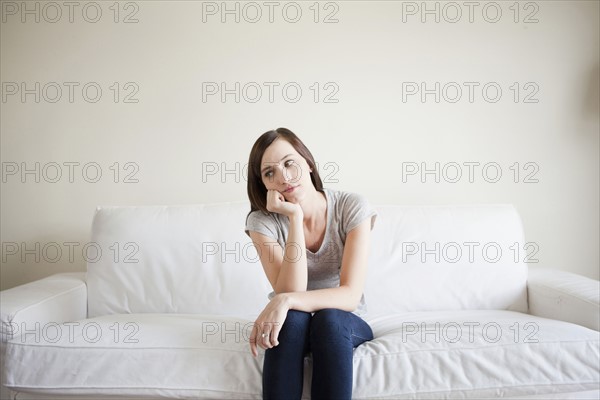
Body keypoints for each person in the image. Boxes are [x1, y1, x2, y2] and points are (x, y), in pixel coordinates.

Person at [244, 128, 377, 400]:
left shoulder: (350, 207)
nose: (283, 177)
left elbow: (350, 295)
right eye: (270, 173)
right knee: (293, 319)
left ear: (308, 162)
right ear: (264, 184)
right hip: (293, 324)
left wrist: (284, 301)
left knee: (328, 317)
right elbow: (291, 289)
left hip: (342, 322)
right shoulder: (262, 223)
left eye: (289, 163)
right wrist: (293, 217)